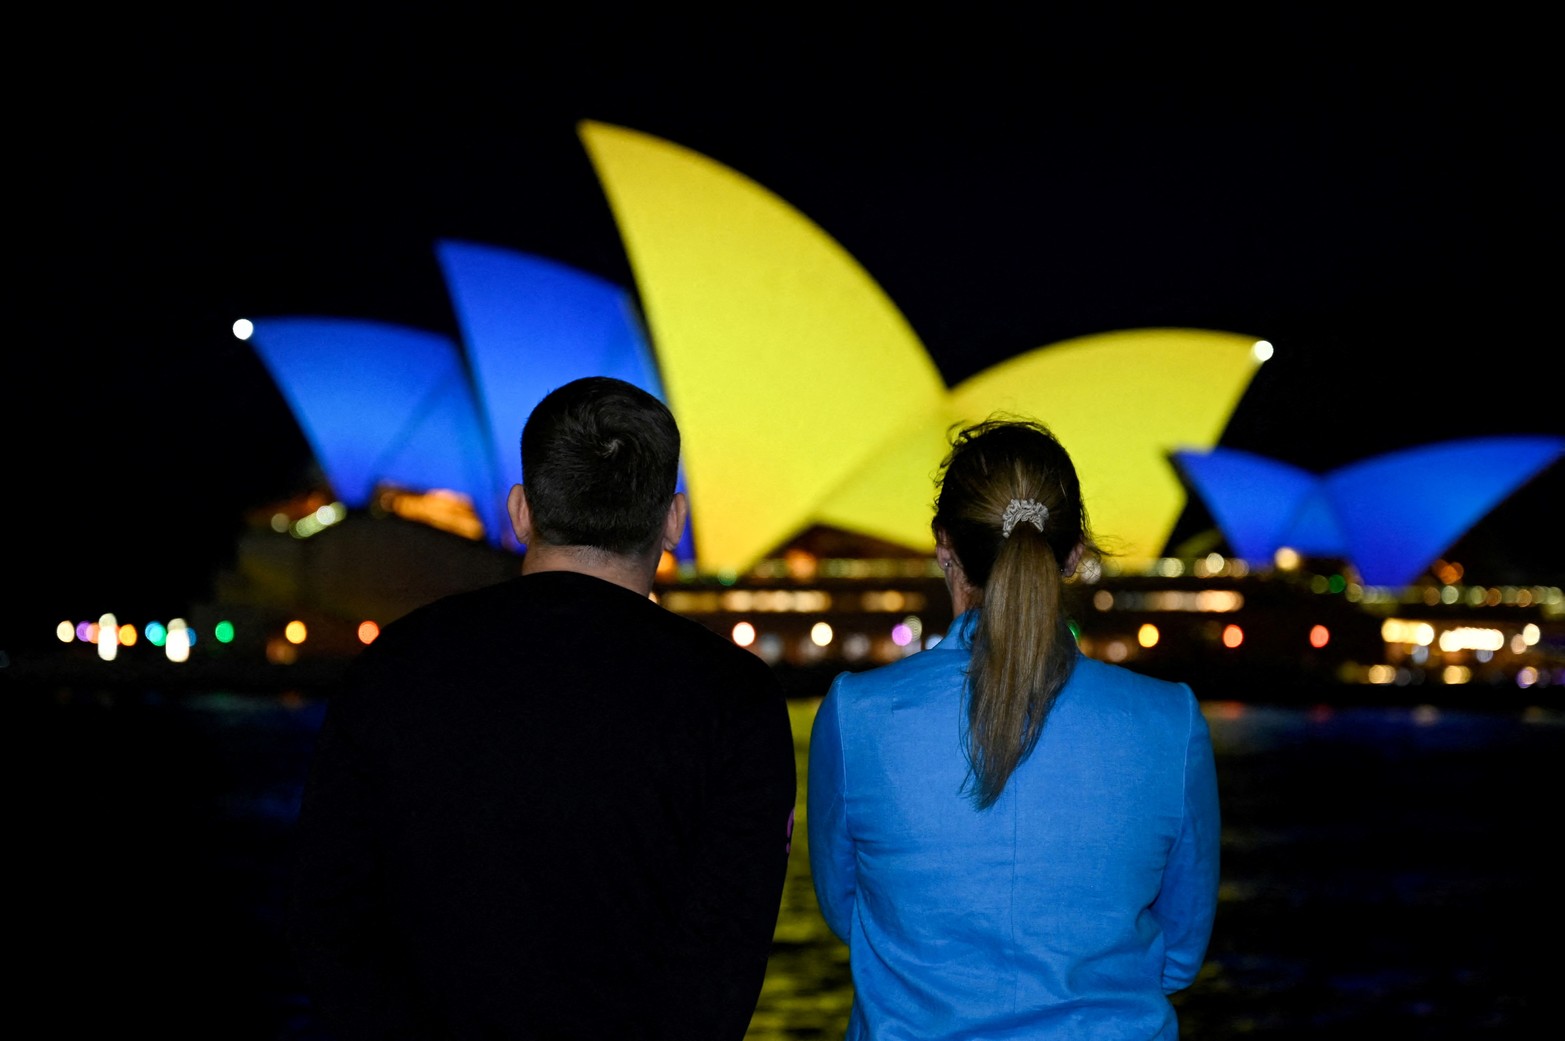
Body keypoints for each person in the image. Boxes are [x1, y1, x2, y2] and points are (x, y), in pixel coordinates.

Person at [288, 375, 798, 1040]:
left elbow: (328, 911)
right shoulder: (736, 694)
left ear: (520, 511)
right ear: (674, 520)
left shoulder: (395, 664)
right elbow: (726, 954)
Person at [807, 416, 1220, 1040]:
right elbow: (1180, 952)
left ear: (944, 545)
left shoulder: (855, 713)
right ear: (1075, 554)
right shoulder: (1172, 720)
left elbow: (847, 910)